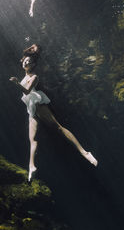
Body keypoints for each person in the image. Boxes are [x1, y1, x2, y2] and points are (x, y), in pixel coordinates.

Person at [9, 44, 98, 182]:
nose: (26, 62)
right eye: (25, 60)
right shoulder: (24, 76)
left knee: (58, 127)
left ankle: (84, 152)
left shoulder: (35, 77)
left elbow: (27, 91)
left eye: (29, 62)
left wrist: (16, 83)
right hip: (31, 110)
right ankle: (31, 166)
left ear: (33, 65)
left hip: (38, 105)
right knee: (33, 139)